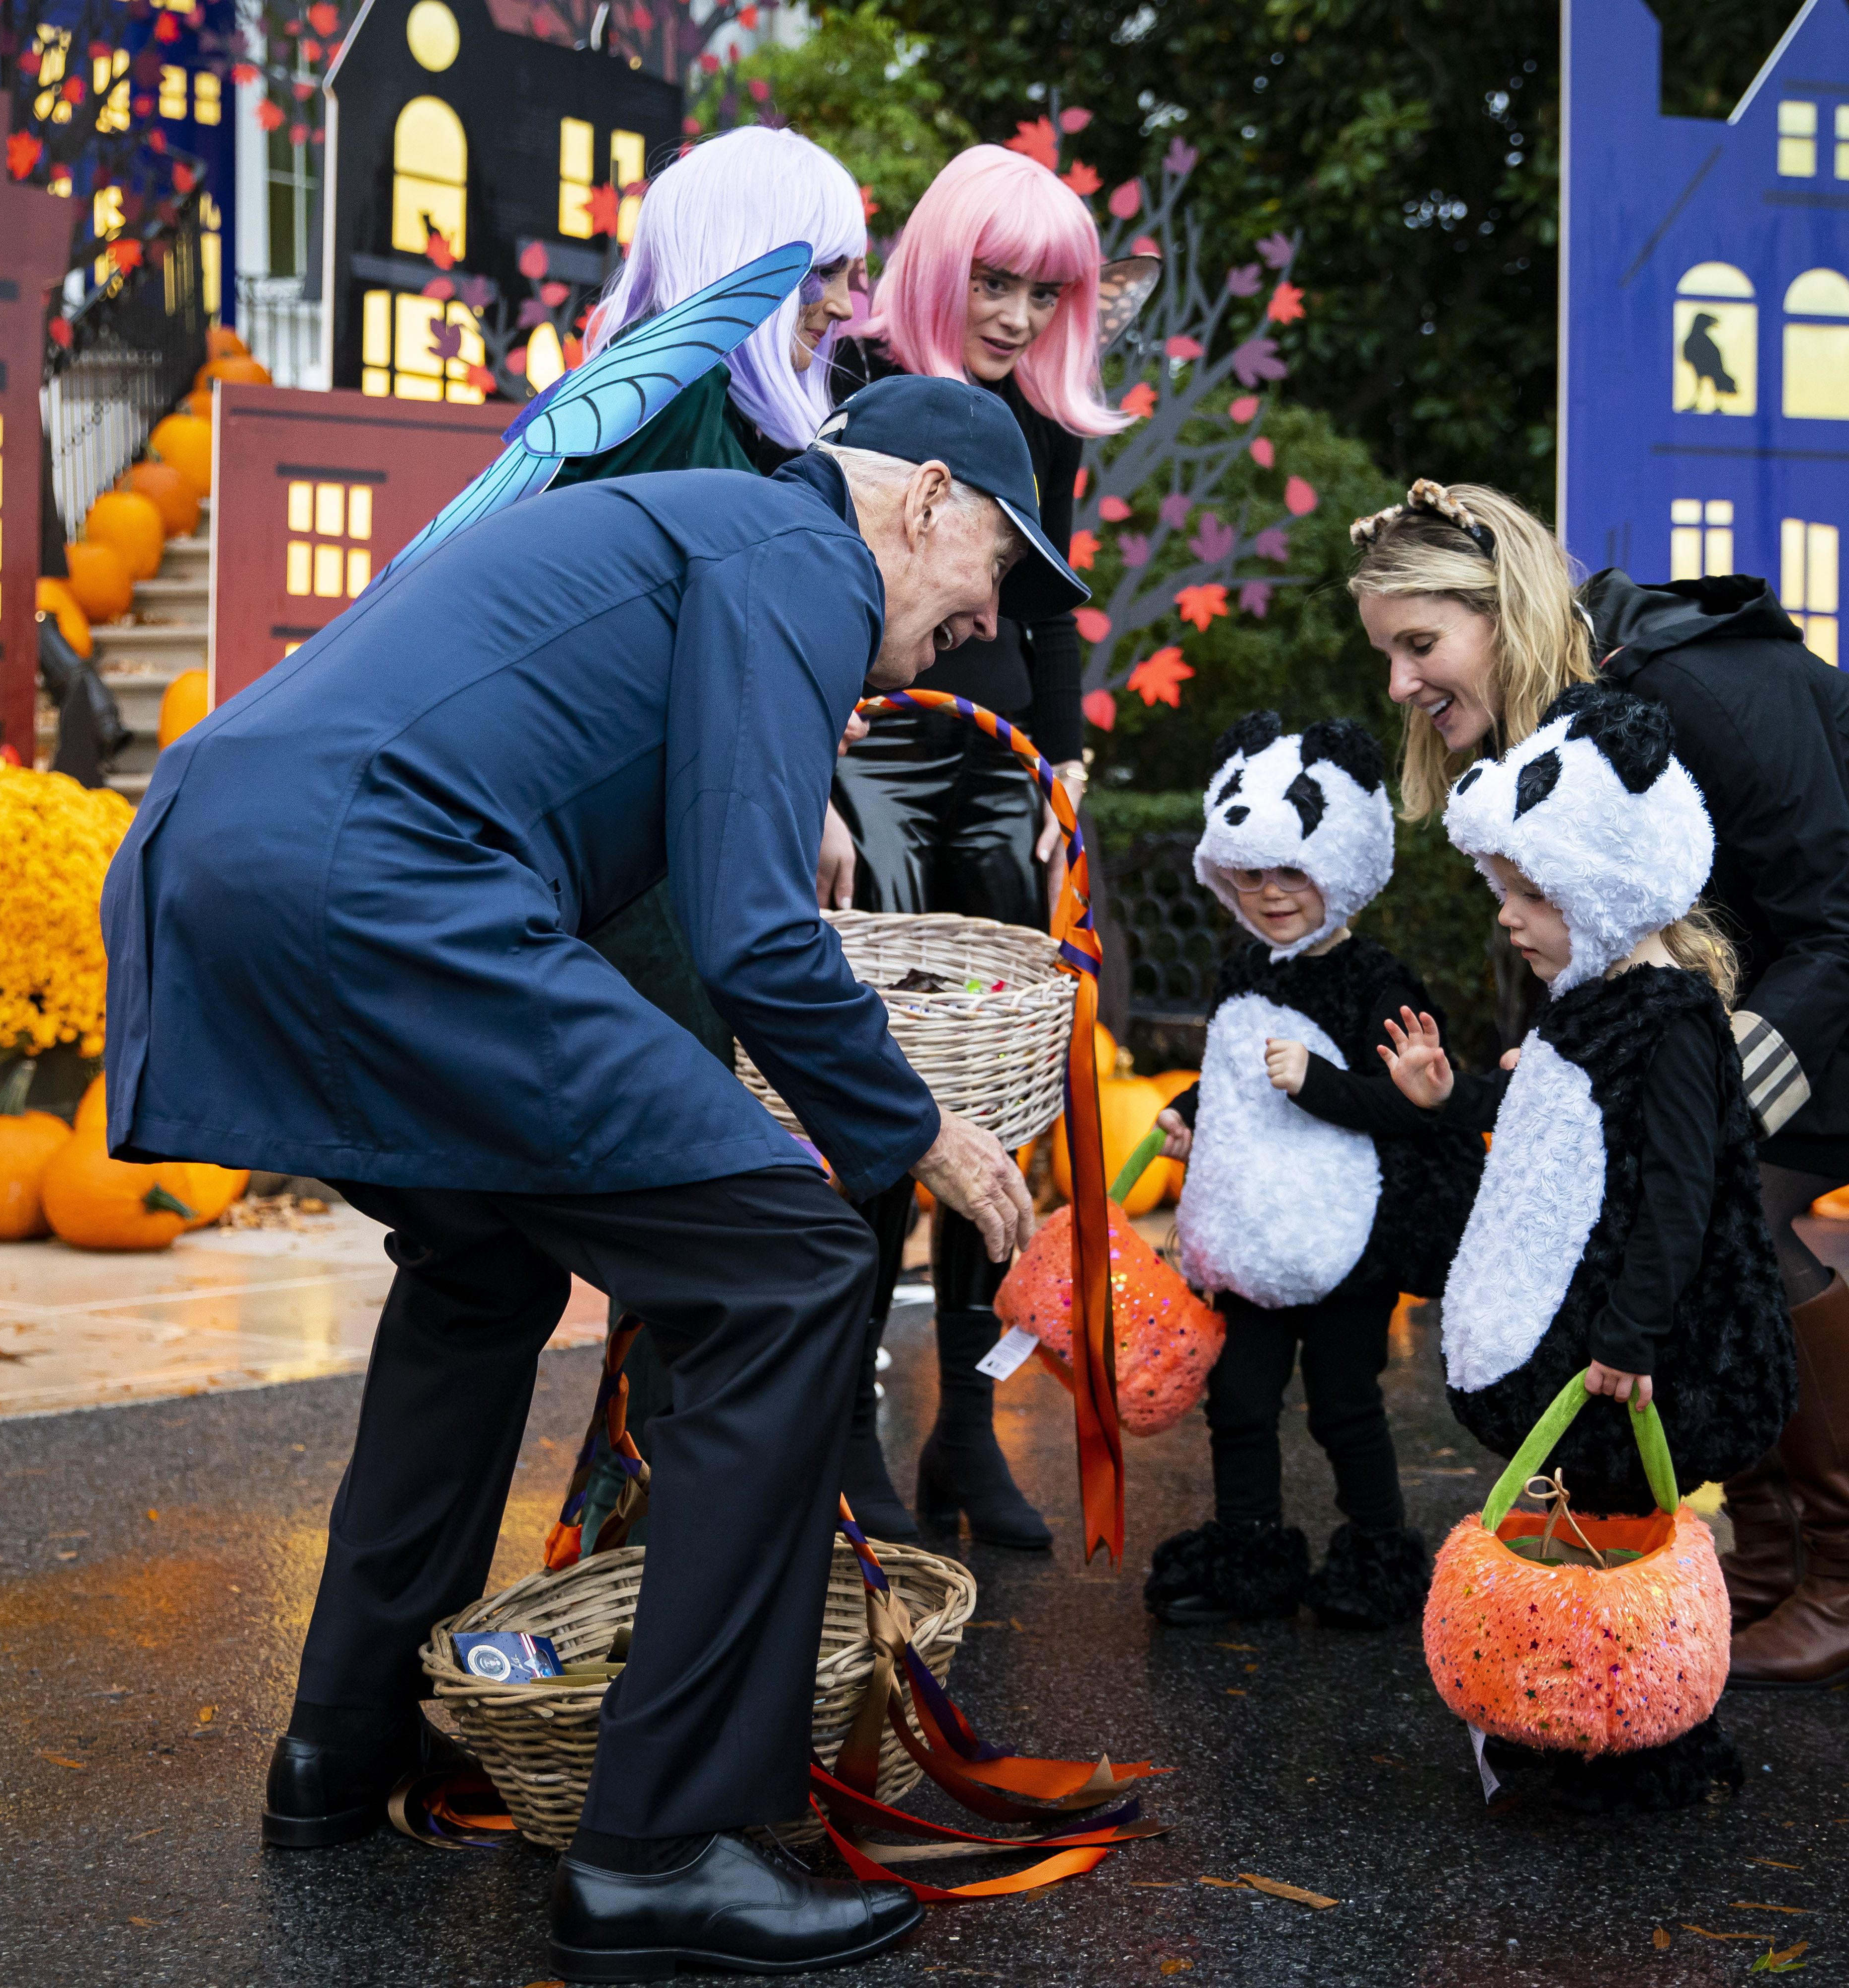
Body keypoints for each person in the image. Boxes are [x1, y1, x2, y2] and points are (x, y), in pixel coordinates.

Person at [100, 373, 1083, 1976]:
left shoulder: (709, 538)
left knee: (482, 1260)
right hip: (381, 874)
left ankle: (343, 1746)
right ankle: (661, 1846)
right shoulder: (803, 550)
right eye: (998, 564)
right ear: (918, 500)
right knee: (793, 1264)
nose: (993, 618)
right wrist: (914, 1130)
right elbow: (754, 932)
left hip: (214, 850)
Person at [1350, 479, 1849, 1687]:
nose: (1399, 683)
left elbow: (1838, 927)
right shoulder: (1583, 715)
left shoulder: (1697, 683)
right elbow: (1650, 936)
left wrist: (1681, 1092)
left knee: (1723, 1188)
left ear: (1509, 613)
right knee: (1680, 1170)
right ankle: (1770, 1558)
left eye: (1420, 644)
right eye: (1388, 652)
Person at [1375, 680, 1796, 1810]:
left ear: (1608, 884)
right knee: (1574, 1528)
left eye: (1533, 893)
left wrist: (1630, 1331)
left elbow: (1678, 1192)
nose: (1507, 915)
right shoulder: (1588, 999)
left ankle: (1637, 1734)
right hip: (1584, 1328)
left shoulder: (1669, 1019)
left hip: (1630, 1341)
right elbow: (1553, 1141)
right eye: (1504, 888)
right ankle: (1566, 1708)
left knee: (1615, 1533)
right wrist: (1451, 1095)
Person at [544, 125, 876, 1552]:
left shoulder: (644, 394)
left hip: (633, 860)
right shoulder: (682, 412)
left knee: (614, 1245)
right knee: (699, 1213)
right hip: (642, 883)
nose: (844, 306)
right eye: (829, 269)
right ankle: (654, 1578)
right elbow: (695, 678)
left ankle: (629, 1564)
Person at [822, 142, 1132, 1552]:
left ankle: (965, 1430)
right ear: (943, 267)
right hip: (876, 747)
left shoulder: (1044, 419)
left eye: (1041, 291)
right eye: (994, 282)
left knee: (997, 1080)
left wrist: (1067, 753)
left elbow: (1055, 607)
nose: (1014, 315)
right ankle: (845, 1433)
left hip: (1001, 770)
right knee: (883, 1074)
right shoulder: (848, 383)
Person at [1135, 713, 1482, 1629]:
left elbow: (1415, 1109)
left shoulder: (1379, 983)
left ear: (1344, 862)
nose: (1272, 893)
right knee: (1239, 1399)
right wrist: (1192, 1112)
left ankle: (1377, 1554)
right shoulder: (1243, 964)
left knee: (1343, 1404)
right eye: (1250, 873)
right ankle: (1249, 1553)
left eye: (1294, 871)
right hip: (1254, 1236)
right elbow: (1239, 1072)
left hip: (1346, 1246)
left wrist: (1320, 1084)